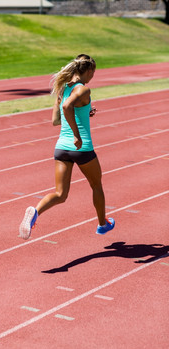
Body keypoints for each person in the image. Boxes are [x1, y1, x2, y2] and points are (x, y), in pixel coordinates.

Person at [19, 54, 115, 240]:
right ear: (87, 71)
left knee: (60, 194)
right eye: (92, 73)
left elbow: (56, 120)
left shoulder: (63, 89)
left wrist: (86, 112)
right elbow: (67, 108)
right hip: (82, 147)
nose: (92, 77)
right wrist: (77, 136)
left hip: (62, 147)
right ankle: (103, 224)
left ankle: (35, 212)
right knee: (96, 185)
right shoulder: (83, 90)